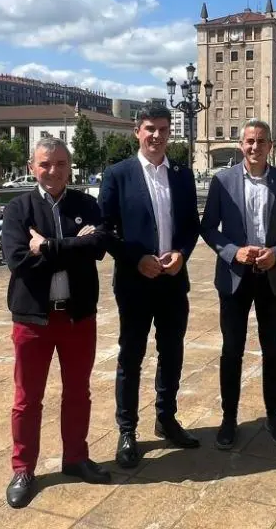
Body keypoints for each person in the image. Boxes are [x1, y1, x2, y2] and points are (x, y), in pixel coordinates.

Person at [1, 137, 111, 509]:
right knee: (26, 399)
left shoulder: (86, 204)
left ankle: (75, 457)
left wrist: (47, 246)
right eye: (45, 164)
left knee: (78, 392)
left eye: (61, 164)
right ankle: (23, 468)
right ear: (33, 166)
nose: (53, 171)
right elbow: (17, 259)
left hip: (77, 316)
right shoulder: (19, 209)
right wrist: (72, 247)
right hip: (33, 319)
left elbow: (98, 246)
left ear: (70, 167)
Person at [99, 105, 202, 468]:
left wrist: (182, 253)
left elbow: (191, 225)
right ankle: (127, 430)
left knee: (171, 353)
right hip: (134, 282)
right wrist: (134, 258)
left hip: (173, 281)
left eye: (162, 129)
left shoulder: (182, 175)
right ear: (136, 132)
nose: (156, 135)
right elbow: (105, 229)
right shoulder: (118, 175)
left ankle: (166, 417)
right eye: (149, 129)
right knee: (131, 356)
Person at [201, 119, 276, 450]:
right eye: (249, 141)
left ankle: (274, 415)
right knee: (232, 350)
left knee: (273, 350)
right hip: (234, 279)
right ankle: (229, 418)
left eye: (261, 141)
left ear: (270, 146)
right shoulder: (222, 181)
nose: (254, 147)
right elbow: (209, 228)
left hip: (270, 278)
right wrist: (233, 251)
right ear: (240, 145)